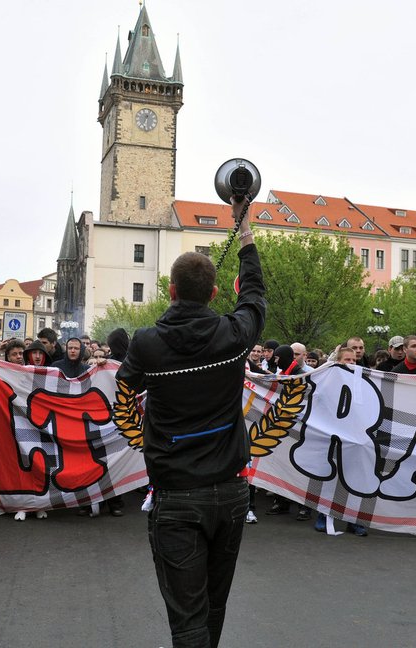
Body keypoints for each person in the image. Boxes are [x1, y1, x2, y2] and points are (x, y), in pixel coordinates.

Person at [116, 195, 265, 648]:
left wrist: (146, 435)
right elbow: (255, 294)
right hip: (232, 494)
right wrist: (244, 232)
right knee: (212, 607)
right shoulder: (234, 335)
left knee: (188, 618)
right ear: (216, 294)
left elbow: (125, 389)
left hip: (178, 495)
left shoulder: (146, 343)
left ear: (171, 291)